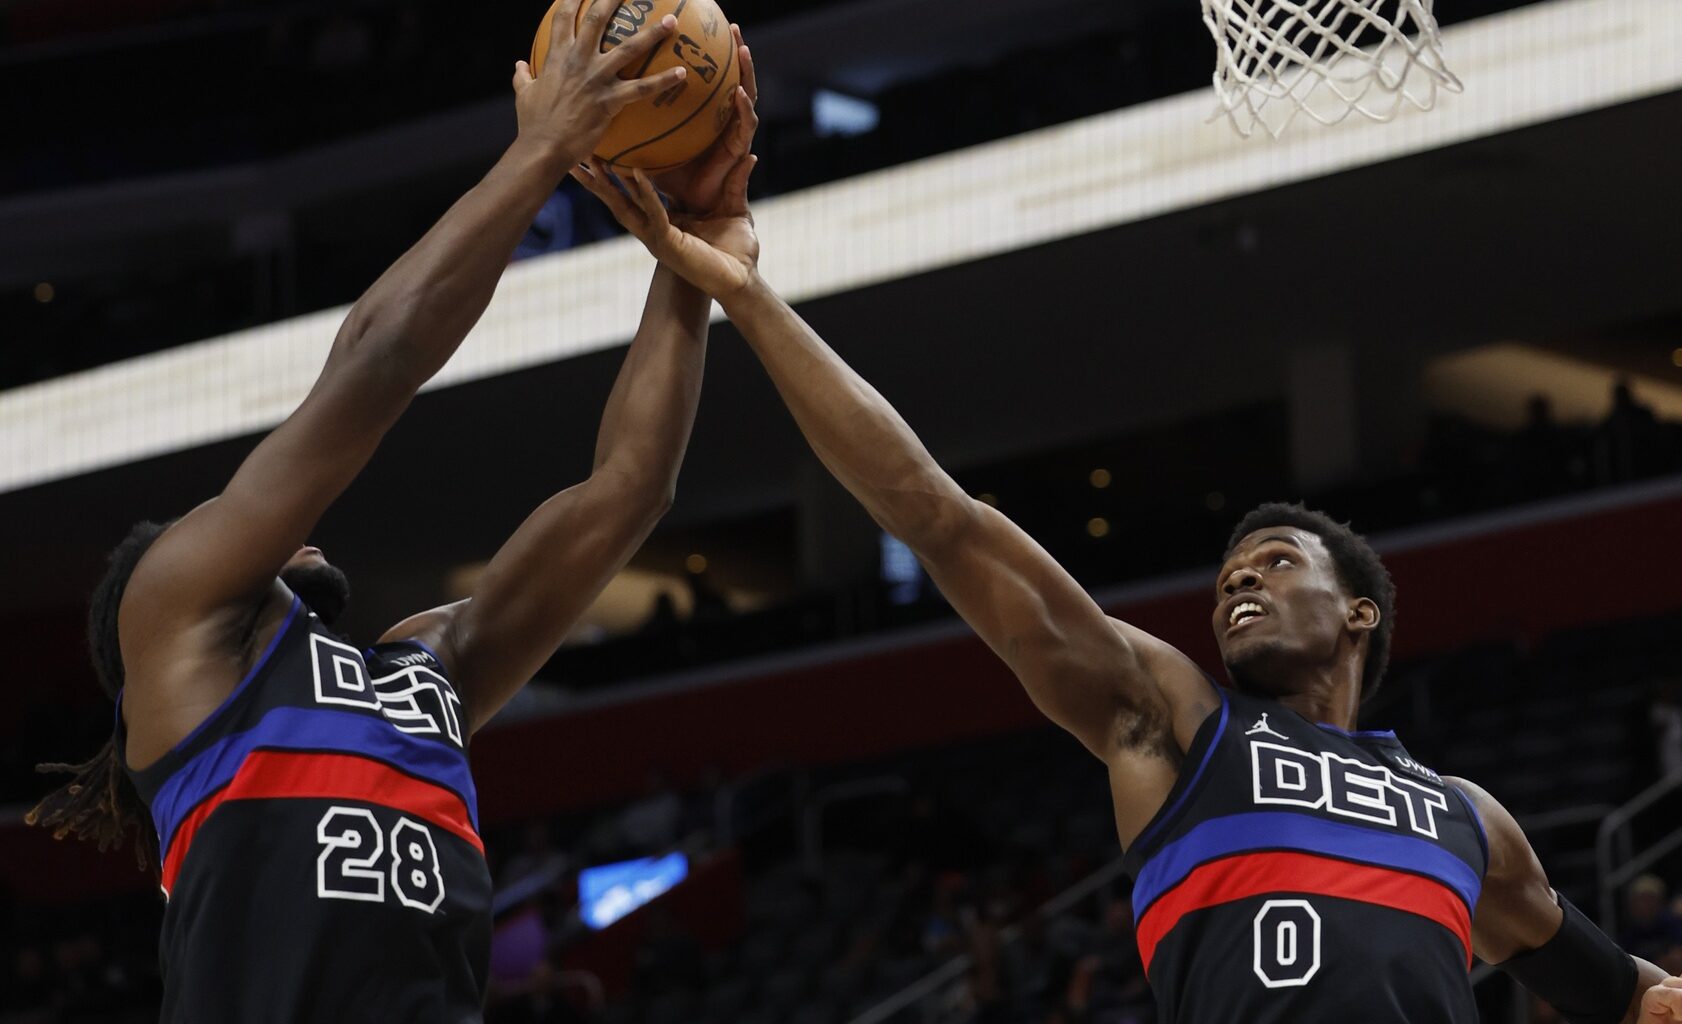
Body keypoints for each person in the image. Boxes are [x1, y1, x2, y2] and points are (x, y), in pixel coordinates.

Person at [573, 88, 1682, 1022]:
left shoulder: (1466, 819)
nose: (1237, 579)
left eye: (1276, 561)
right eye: (1226, 573)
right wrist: (749, 299)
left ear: (1359, 614)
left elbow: (1626, 996)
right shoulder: (1174, 719)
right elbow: (939, 517)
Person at [25, 9, 759, 1021]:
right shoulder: (182, 631)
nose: (260, 520)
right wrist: (543, 148)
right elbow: (377, 358)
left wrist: (691, 262)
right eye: (221, 525)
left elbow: (628, 489)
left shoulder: (427, 673)